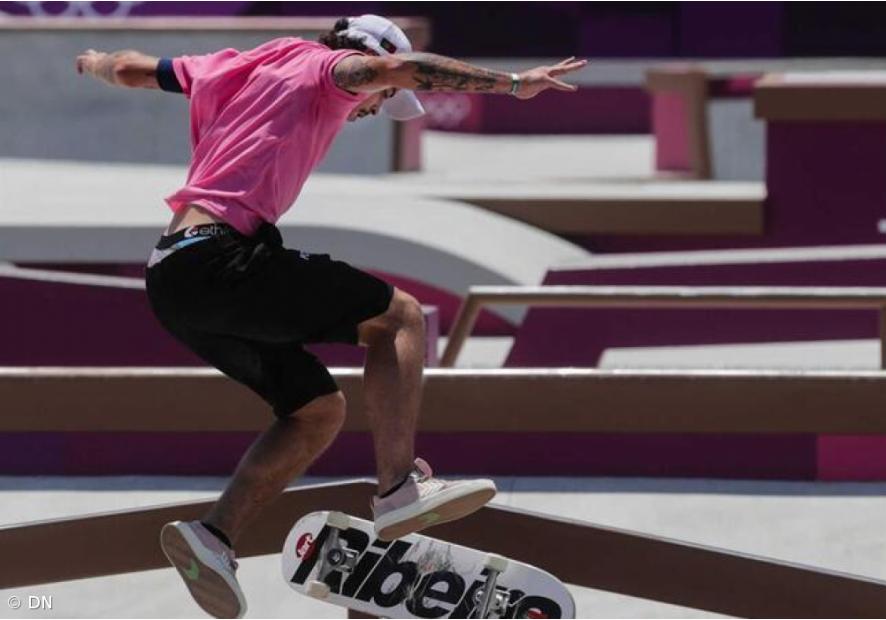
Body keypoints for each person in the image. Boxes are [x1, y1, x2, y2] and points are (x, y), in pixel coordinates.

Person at [75, 14, 586, 619]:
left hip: (170, 277)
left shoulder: (234, 65)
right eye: (383, 98)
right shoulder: (332, 69)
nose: (374, 107)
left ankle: (213, 537)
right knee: (399, 318)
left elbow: (133, 70)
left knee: (316, 411)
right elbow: (396, 67)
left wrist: (94, 58)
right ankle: (399, 489)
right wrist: (512, 83)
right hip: (223, 258)